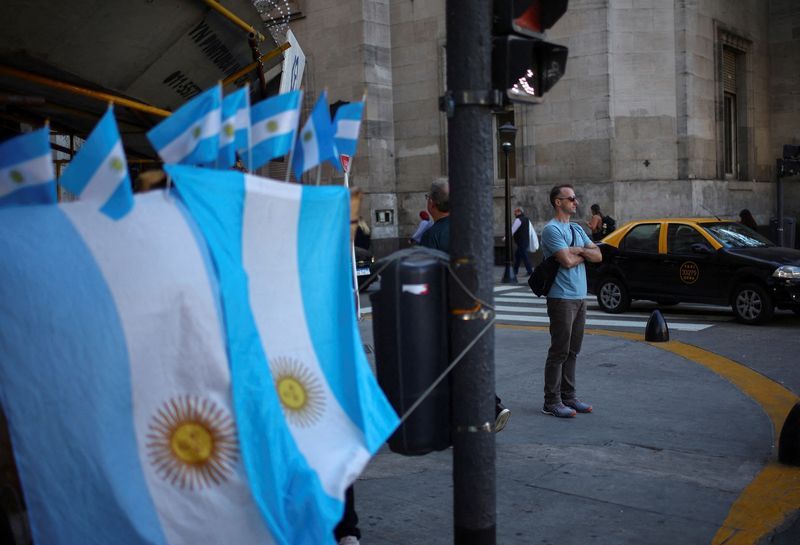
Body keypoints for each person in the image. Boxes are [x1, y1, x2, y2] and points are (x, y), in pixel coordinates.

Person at [419, 180, 512, 432]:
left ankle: (489, 409)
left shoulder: (431, 236)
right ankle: (486, 409)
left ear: (431, 203)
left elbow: (426, 278)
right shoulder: (469, 229)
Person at [540, 185, 602, 418]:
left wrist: (579, 251)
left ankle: (569, 396)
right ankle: (551, 401)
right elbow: (565, 261)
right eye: (571, 199)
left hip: (579, 296)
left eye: (576, 198)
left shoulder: (576, 228)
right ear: (558, 202)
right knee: (560, 350)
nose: (576, 202)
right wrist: (581, 252)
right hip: (561, 297)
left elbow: (598, 255)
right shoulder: (551, 229)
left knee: (573, 350)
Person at [511, 207, 535, 276]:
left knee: (524, 256)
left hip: (521, 241)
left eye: (515, 212)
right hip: (525, 241)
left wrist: (505, 237)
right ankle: (515, 271)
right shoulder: (526, 219)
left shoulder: (518, 220)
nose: (514, 213)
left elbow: (512, 230)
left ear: (519, 212)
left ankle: (530, 271)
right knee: (518, 255)